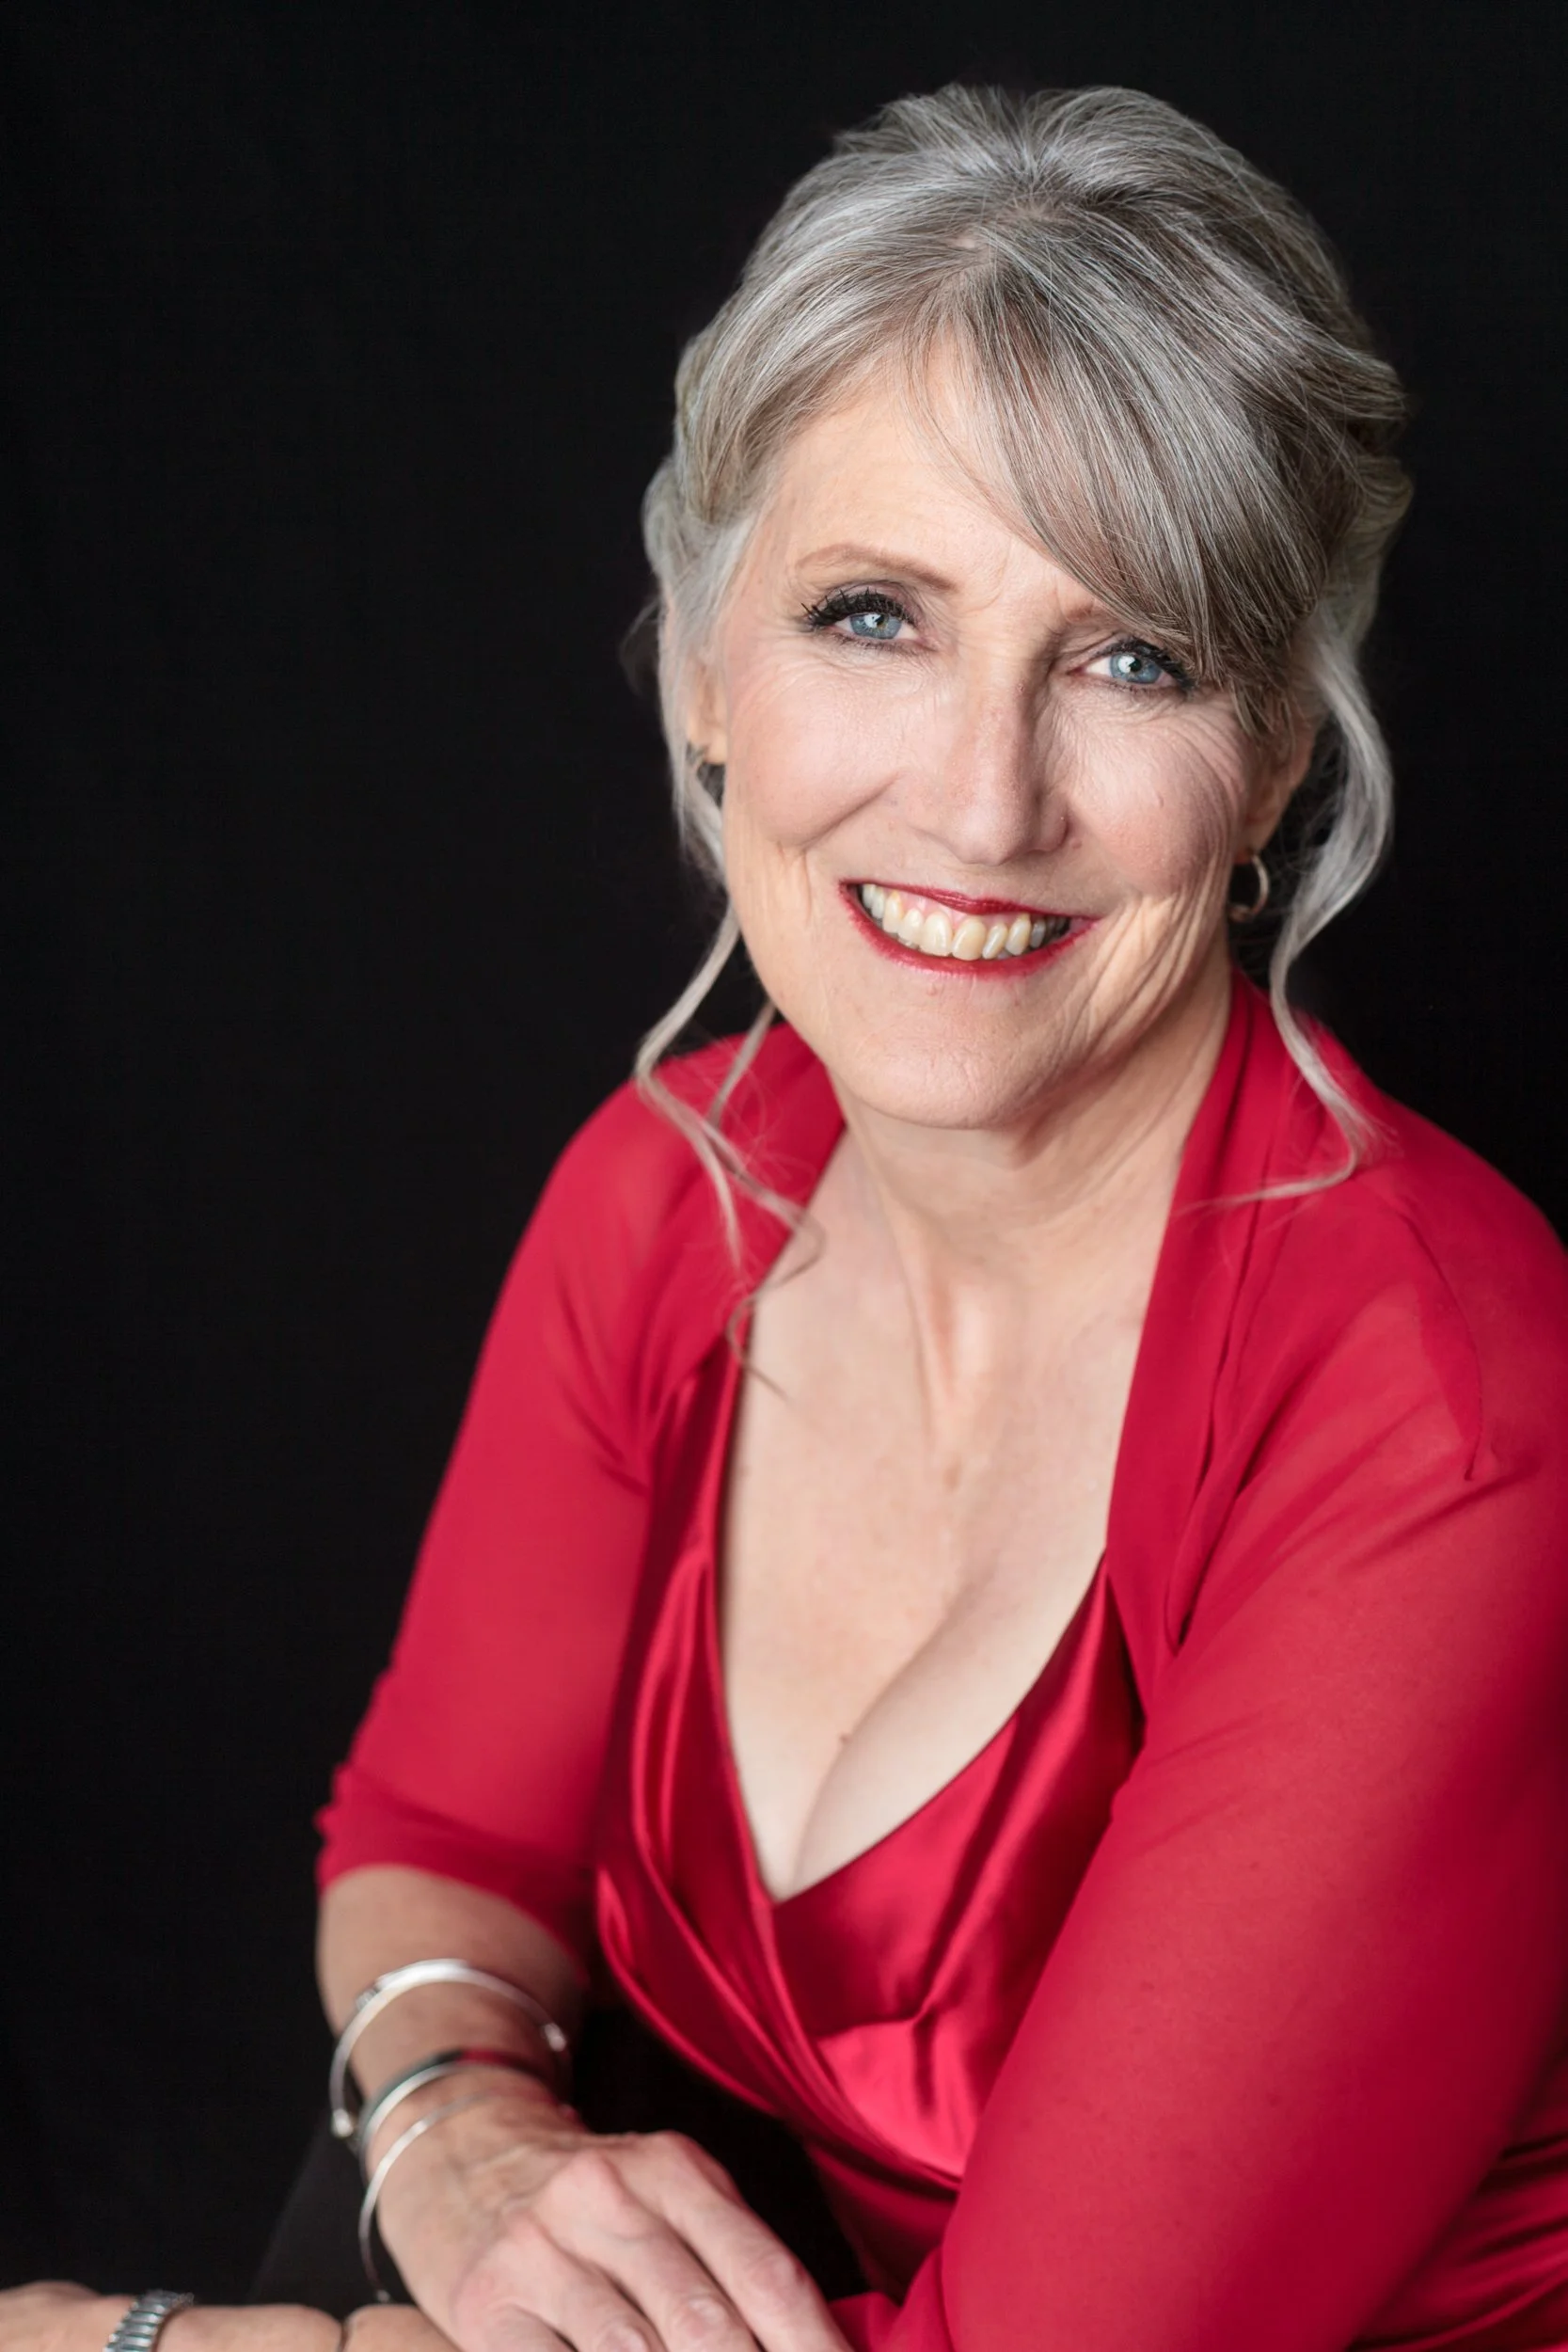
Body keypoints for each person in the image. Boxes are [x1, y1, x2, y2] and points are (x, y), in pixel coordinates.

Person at [34, 80, 1567, 2352]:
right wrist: (460, 2119)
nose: (979, 795)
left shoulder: (1450, 1430)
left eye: (1130, 655)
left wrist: (157, 2348)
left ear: (1264, 765)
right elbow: (435, 1834)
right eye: (872, 615)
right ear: (700, 669)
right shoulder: (674, 1183)